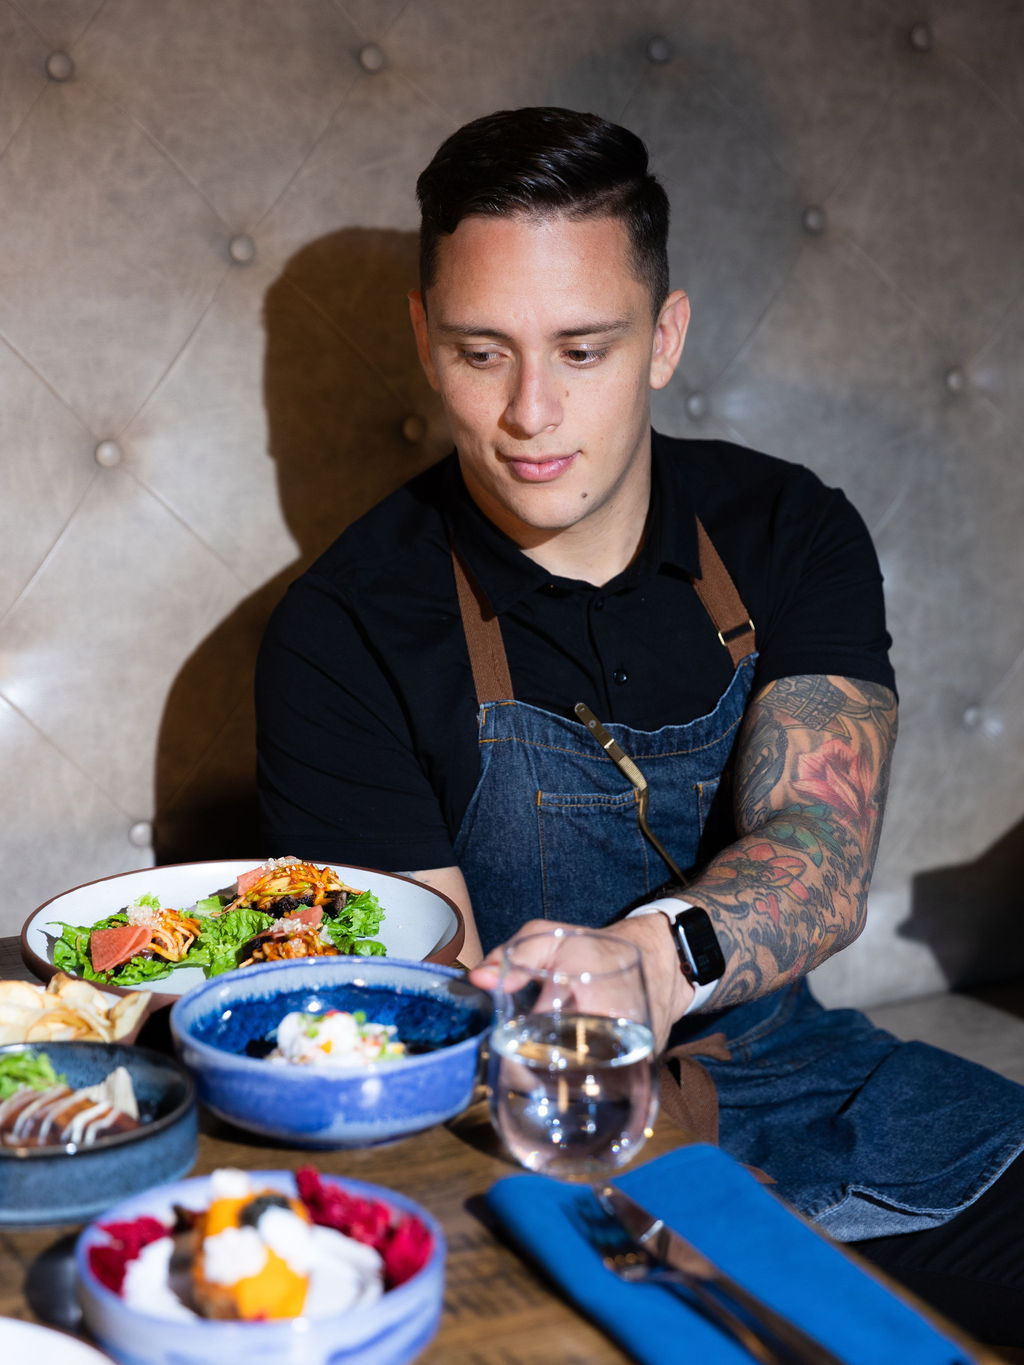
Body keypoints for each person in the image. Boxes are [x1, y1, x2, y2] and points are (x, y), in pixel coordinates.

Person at [255, 107, 1024, 1341]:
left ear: (664, 337)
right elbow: (421, 1011)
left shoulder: (789, 531)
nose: (528, 414)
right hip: (527, 1137)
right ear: (422, 340)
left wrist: (658, 964)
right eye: (480, 350)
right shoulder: (343, 630)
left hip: (817, 1080)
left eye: (582, 349)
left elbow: (821, 854)